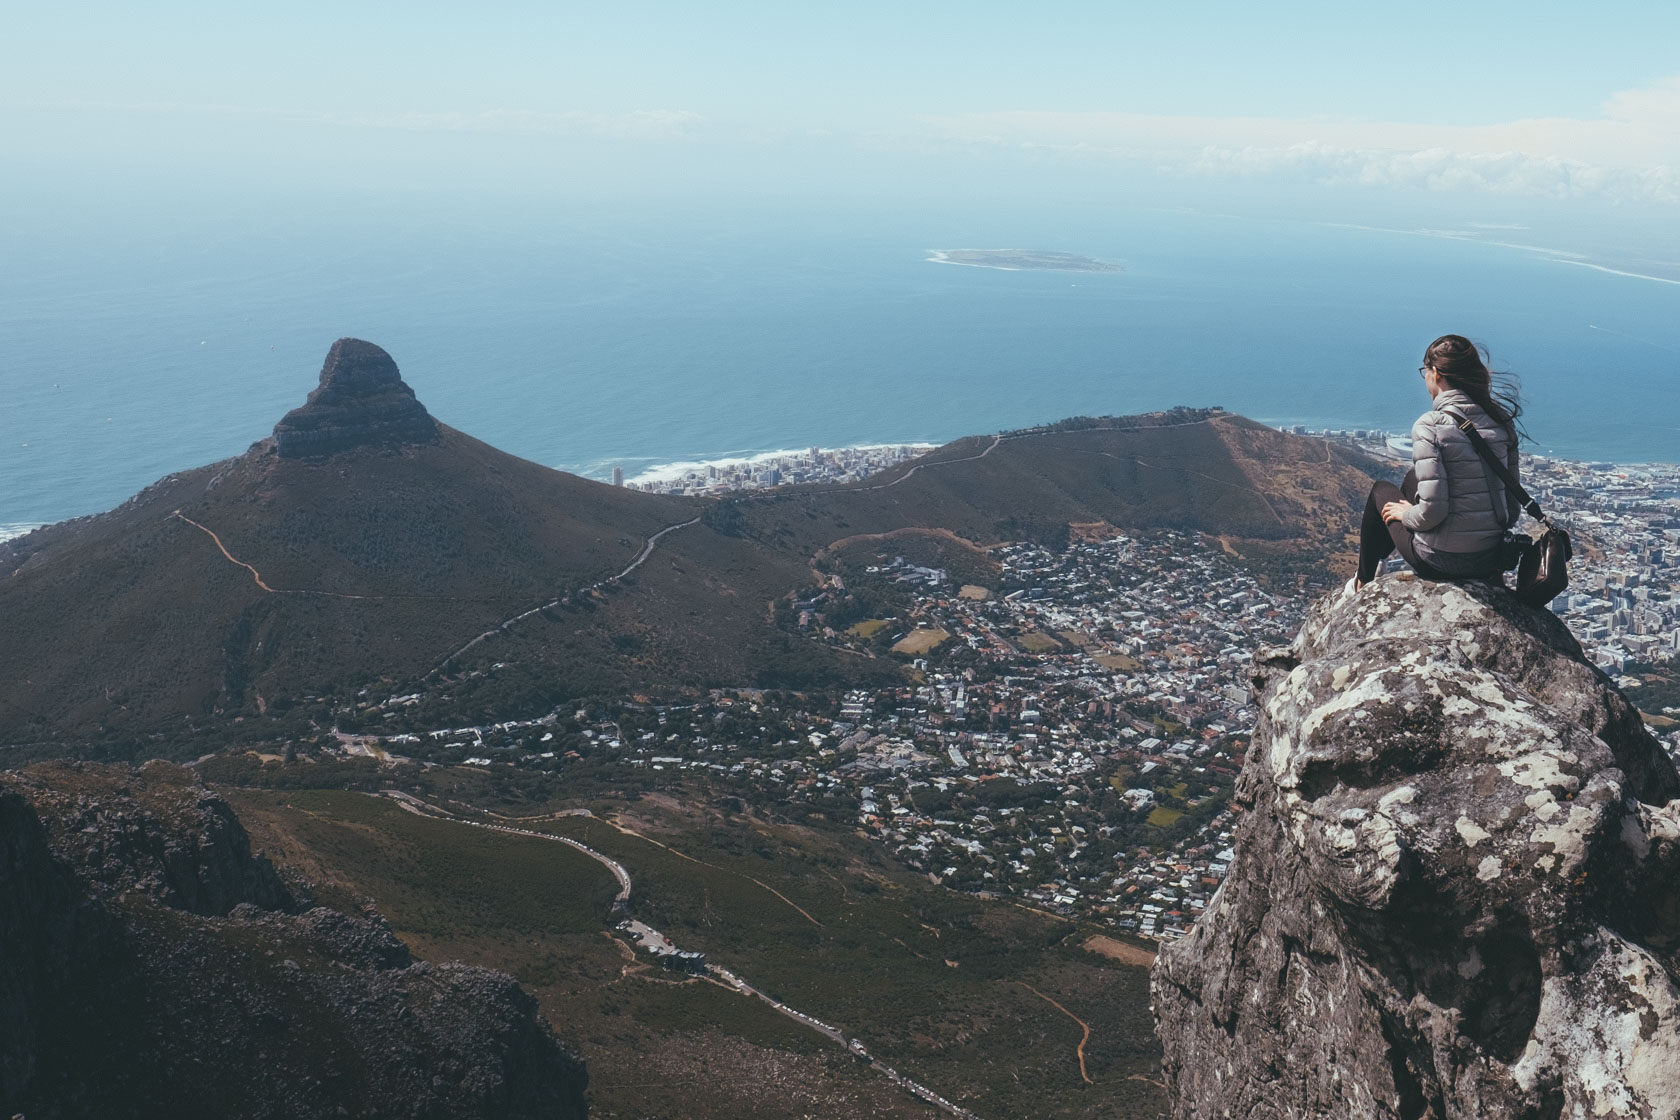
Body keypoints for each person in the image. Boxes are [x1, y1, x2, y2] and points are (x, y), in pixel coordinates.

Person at [1351, 335, 1522, 591]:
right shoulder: (1500, 421)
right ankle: (1380, 561)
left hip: (1442, 561)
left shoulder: (1430, 425)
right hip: (1491, 560)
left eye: (1425, 372)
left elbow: (1433, 513)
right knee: (1412, 478)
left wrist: (1405, 514)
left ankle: (1361, 582)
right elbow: (1512, 509)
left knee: (1380, 491)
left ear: (1436, 373)